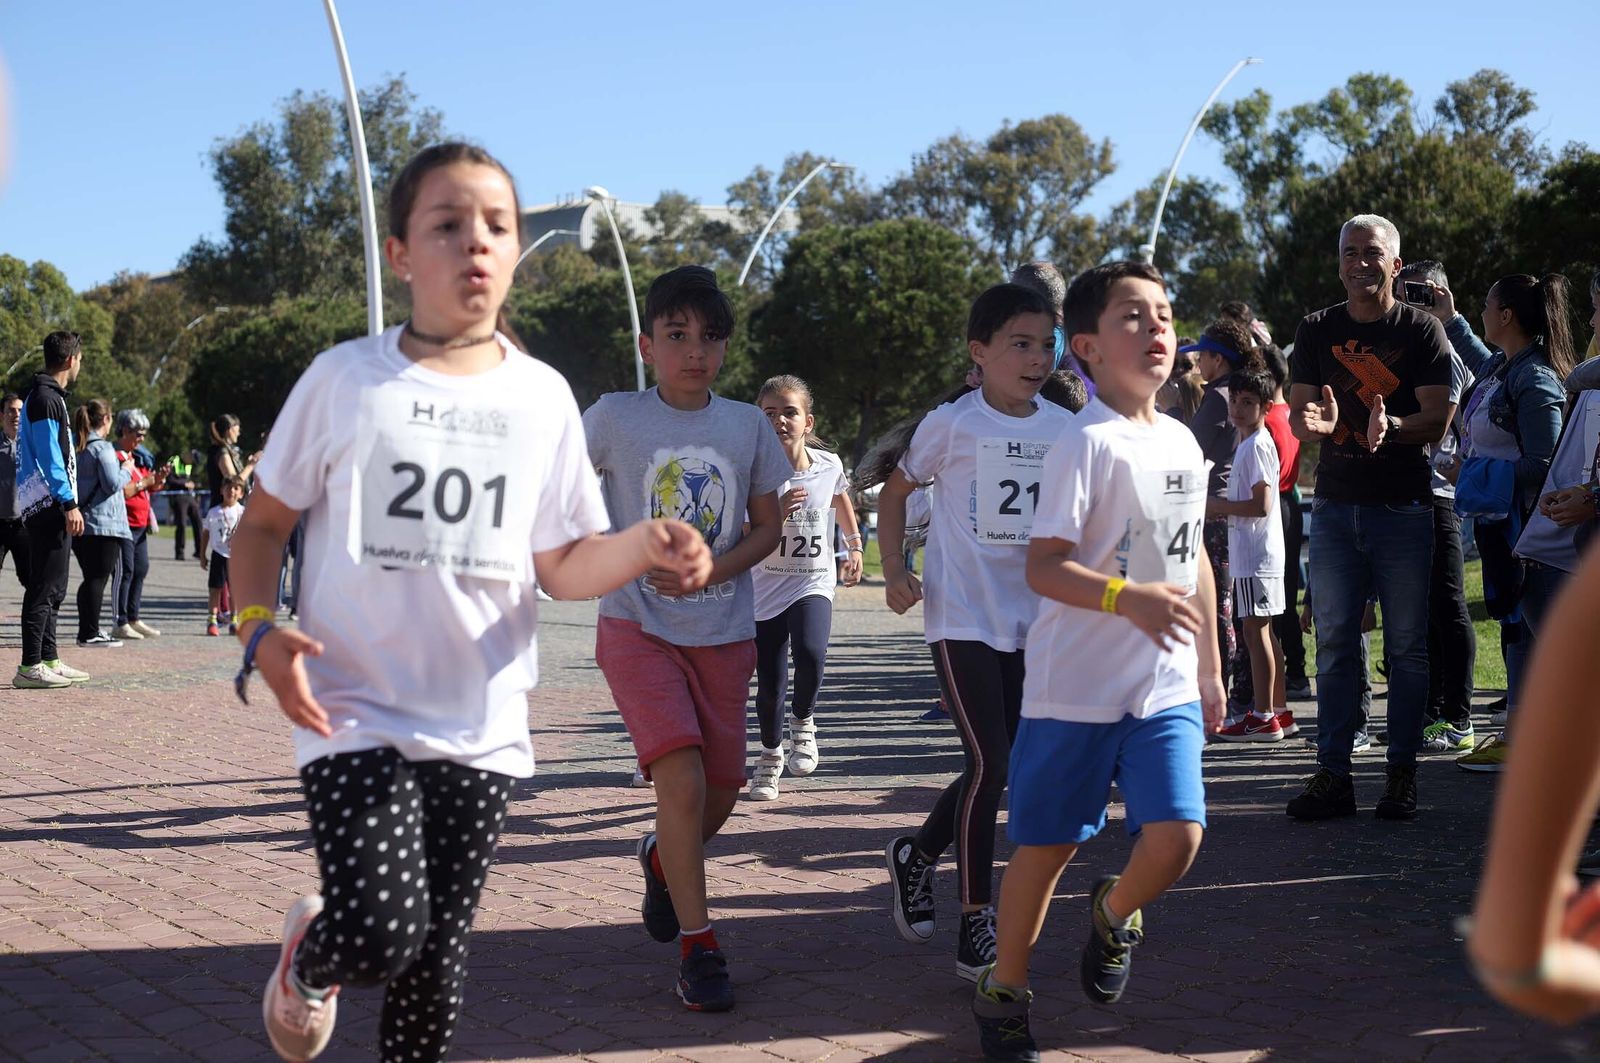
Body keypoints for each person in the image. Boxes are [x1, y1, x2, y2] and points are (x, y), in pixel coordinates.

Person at [231, 142, 712, 1063]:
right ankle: (313, 955)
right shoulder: (345, 381)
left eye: (497, 225)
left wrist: (647, 542)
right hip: (352, 707)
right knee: (381, 928)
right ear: (403, 251)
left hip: (483, 721)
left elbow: (563, 563)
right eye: (447, 225)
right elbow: (260, 530)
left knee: (436, 960)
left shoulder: (541, 397)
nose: (477, 244)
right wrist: (260, 630)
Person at [971, 261, 1222, 1061]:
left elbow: (1196, 561)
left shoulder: (1183, 437)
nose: (1156, 330)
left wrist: (1212, 666)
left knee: (1179, 835)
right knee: (1045, 851)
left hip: (1164, 685)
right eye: (1132, 317)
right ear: (1087, 345)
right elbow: (1044, 566)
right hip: (1073, 691)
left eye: (1164, 315)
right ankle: (1004, 988)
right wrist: (1125, 597)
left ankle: (1114, 911)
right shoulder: (1085, 443)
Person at [584, 264, 791, 1013]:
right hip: (635, 626)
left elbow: (767, 526)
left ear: (726, 348)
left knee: (724, 790)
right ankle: (701, 949)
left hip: (727, 630)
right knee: (683, 781)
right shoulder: (612, 416)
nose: (692, 350)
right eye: (676, 336)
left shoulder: (746, 425)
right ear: (648, 345)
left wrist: (713, 570)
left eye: (708, 337)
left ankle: (660, 861)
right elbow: (555, 487)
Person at [877, 283, 1073, 984]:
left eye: (1046, 342)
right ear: (979, 352)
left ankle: (917, 855)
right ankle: (975, 921)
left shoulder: (1063, 428)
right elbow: (897, 491)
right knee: (991, 760)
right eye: (1019, 343)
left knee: (1001, 764)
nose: (1035, 356)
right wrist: (896, 566)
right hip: (961, 616)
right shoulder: (952, 423)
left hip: (1034, 623)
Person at [1284, 214, 1453, 821]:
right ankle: (1333, 775)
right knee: (1333, 642)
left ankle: (1401, 775)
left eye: (1372, 253)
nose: (1360, 262)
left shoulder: (1424, 333)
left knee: (1406, 648)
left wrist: (1397, 427)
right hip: (1333, 507)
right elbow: (1300, 411)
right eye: (1350, 252)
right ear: (1339, 264)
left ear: (1395, 264)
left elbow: (1439, 417)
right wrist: (1317, 425)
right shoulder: (1315, 329)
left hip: (1404, 508)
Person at [1437, 273, 1575, 773]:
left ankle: (1555, 746)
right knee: (1518, 631)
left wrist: (1471, 472)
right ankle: (1521, 736)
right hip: (1505, 527)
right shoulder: (1507, 364)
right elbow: (1478, 359)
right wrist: (1448, 316)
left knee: (1542, 634)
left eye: (1485, 303)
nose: (1481, 310)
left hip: (1531, 533)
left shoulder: (1535, 379)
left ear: (1507, 316)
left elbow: (1547, 463)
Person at [747, 374, 863, 802]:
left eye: (789, 412)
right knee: (771, 679)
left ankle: (805, 722)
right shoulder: (753, 472)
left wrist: (853, 545)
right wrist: (774, 512)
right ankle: (769, 757)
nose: (779, 420)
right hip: (765, 586)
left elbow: (841, 500)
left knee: (812, 651)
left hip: (812, 579)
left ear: (807, 422)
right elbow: (743, 529)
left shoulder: (828, 465)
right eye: (769, 413)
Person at [1392, 260, 1478, 752]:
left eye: (1417, 293)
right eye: (1403, 293)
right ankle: (1429, 712)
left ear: (1440, 294)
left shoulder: (1447, 348)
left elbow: (1459, 413)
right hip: (1406, 489)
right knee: (1419, 610)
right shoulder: (1408, 345)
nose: (1406, 302)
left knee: (1448, 605)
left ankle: (1459, 718)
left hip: (1440, 493)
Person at [1181, 320, 1262, 717]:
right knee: (1232, 607)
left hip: (1213, 511)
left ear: (1217, 358)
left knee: (1217, 608)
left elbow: (1190, 451)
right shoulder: (1233, 394)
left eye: (1202, 354)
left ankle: (1225, 694)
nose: (1196, 361)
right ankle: (1241, 693)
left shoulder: (1218, 398)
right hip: (1226, 509)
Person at [1210, 368, 1289, 741]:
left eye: (1248, 402)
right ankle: (1278, 709)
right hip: (1256, 554)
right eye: (1235, 401)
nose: (1238, 409)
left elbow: (1261, 504)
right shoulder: (1249, 442)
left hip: (1256, 554)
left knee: (1254, 632)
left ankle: (1262, 714)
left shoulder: (1256, 444)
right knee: (1261, 631)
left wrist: (1217, 506)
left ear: (1265, 407)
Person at [14, 331, 88, 688]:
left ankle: (49, 658)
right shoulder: (44, 399)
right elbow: (50, 457)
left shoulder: (49, 397)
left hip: (51, 503)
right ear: (72, 359)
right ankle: (29, 666)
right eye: (81, 357)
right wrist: (69, 503)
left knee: (55, 587)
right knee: (43, 585)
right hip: (47, 504)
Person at [1260, 345, 1309, 702]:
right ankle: (1295, 670)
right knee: (1286, 594)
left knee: (1277, 598)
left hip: (1277, 504)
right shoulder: (1288, 413)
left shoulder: (1270, 421)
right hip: (1288, 503)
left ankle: (1291, 671)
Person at [108, 408, 167, 640]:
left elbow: (145, 485)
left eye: (144, 434)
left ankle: (133, 617)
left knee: (140, 569)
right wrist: (145, 482)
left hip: (141, 524)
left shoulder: (138, 456)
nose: (141, 439)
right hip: (123, 523)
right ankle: (119, 621)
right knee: (125, 572)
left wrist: (157, 481)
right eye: (138, 434)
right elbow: (122, 491)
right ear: (124, 430)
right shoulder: (115, 455)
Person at [200, 476, 245, 636]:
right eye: (228, 488)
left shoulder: (242, 512)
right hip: (219, 554)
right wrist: (202, 554)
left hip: (236, 557)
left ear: (240, 493)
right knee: (215, 589)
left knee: (235, 590)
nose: (231, 491)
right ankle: (212, 619)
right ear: (221, 490)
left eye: (235, 488)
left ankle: (234, 619)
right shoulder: (214, 512)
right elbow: (205, 533)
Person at [0, 392, 28, 610]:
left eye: (19, 410)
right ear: (2, 415)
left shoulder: (32, 448)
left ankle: (35, 628)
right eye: (11, 410)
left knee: (32, 579)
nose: (15, 415)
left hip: (23, 525)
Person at [208, 413, 259, 509]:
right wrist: (250, 465)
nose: (239, 433)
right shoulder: (221, 452)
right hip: (224, 511)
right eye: (237, 429)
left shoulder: (226, 450)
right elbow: (233, 482)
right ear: (230, 430)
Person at [168, 449, 204, 561]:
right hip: (178, 496)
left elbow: (188, 479)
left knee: (198, 521)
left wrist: (193, 484)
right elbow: (169, 479)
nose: (192, 463)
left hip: (188, 496)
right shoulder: (174, 460)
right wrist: (184, 483)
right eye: (192, 460)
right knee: (182, 524)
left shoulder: (189, 466)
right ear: (188, 456)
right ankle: (179, 552)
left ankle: (199, 551)